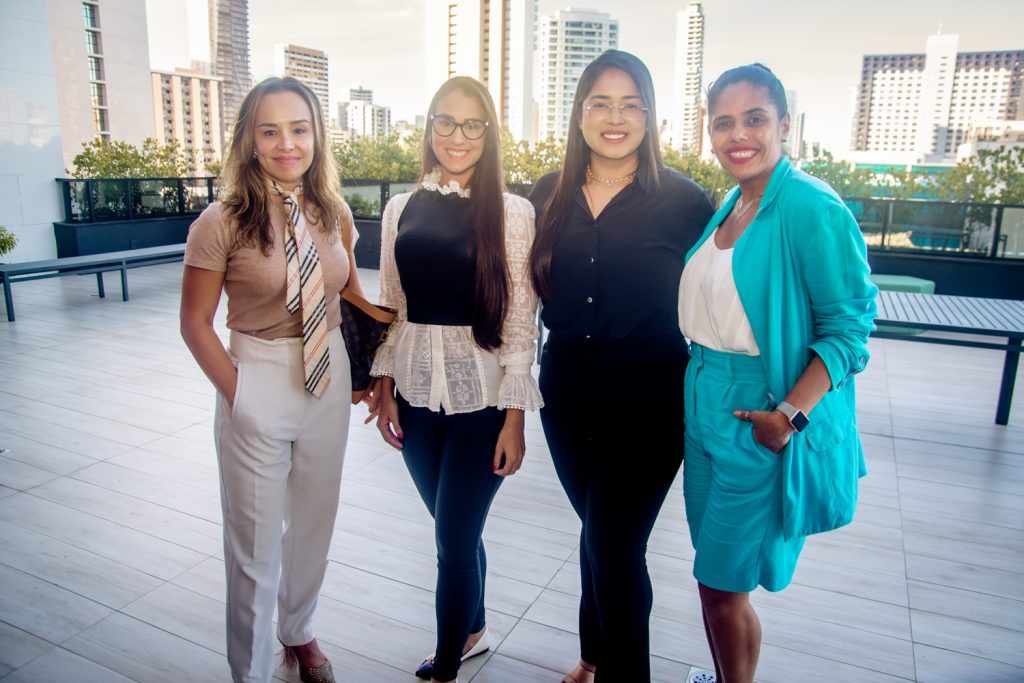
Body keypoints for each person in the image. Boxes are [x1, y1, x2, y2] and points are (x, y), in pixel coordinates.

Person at [677, 64, 877, 683]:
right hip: (702, 401)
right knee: (717, 575)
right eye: (724, 122)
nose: (739, 135)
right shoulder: (734, 204)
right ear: (709, 133)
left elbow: (851, 329)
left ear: (784, 124)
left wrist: (788, 416)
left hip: (757, 413)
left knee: (720, 584)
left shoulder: (810, 205)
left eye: (755, 119)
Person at [528, 50, 714, 683]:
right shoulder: (546, 195)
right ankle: (593, 658)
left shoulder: (687, 201)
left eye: (631, 104)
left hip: (651, 393)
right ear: (579, 114)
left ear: (650, 115)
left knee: (613, 543)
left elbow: (729, 294)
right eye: (601, 103)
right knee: (599, 532)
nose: (616, 117)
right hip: (566, 390)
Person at [180, 76, 364, 683]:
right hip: (257, 371)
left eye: (299, 128)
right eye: (270, 130)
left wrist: (370, 373)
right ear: (250, 141)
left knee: (314, 521)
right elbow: (194, 323)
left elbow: (348, 294)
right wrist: (241, 395)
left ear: (316, 137)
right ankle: (253, 672)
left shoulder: (333, 210)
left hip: (327, 373)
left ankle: (298, 631)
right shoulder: (222, 220)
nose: (287, 143)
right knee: (255, 547)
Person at [368, 76, 542, 683]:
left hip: (484, 400)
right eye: (446, 121)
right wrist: (383, 383)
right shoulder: (400, 208)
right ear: (430, 127)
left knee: (452, 539)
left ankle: (445, 666)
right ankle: (474, 630)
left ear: (489, 133)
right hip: (415, 394)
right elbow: (391, 300)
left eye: (473, 124)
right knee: (455, 530)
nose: (458, 136)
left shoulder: (513, 213)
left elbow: (523, 319)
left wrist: (515, 419)